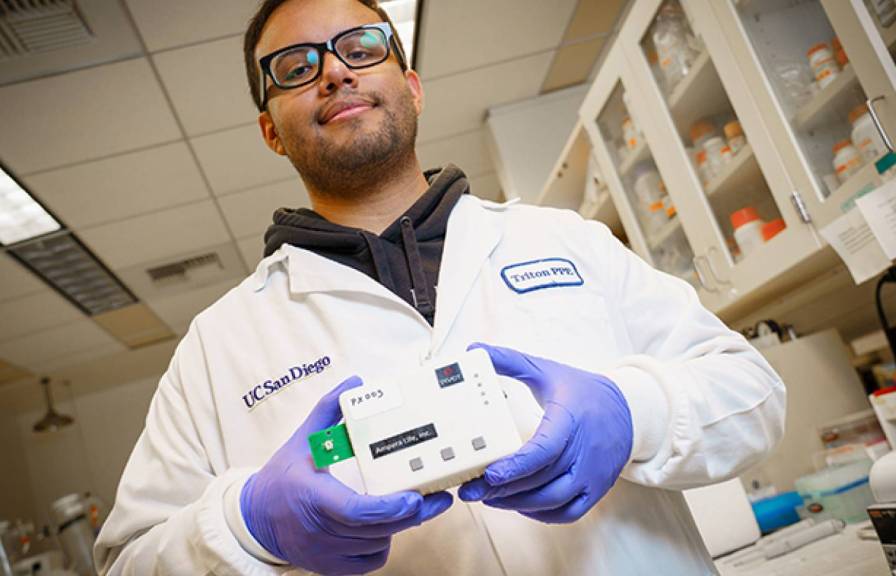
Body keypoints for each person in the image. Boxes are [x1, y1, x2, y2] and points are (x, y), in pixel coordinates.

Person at [94, 0, 786, 574]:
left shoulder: (562, 240)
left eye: (361, 46)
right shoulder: (220, 344)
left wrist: (632, 410)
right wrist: (246, 527)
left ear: (412, 85)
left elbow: (751, 392)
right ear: (271, 131)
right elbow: (128, 560)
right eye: (296, 68)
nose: (334, 71)